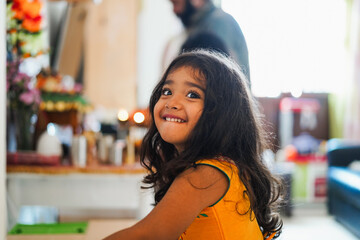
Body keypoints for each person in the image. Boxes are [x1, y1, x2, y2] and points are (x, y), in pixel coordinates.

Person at [103, 50, 283, 240]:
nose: (172, 102)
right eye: (167, 91)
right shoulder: (226, 167)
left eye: (192, 94)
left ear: (223, 115)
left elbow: (150, 235)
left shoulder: (205, 175)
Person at [165, 0, 250, 85]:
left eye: (176, 3)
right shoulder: (198, 25)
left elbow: (216, 76)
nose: (174, 10)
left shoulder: (218, 23)